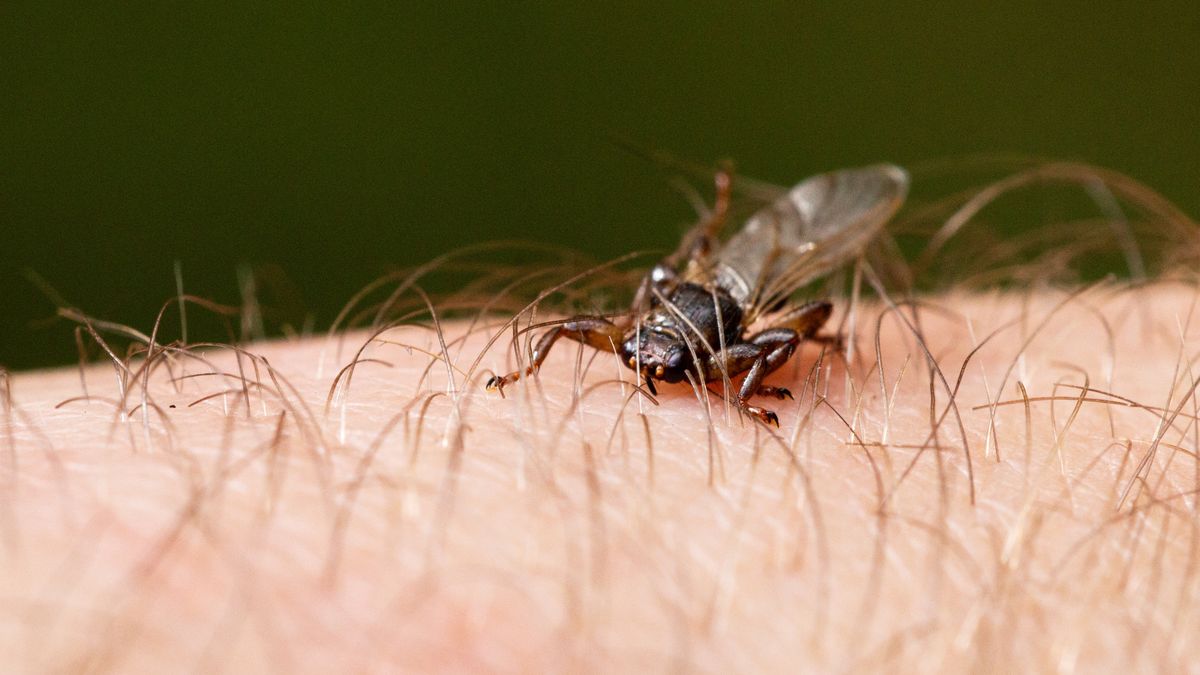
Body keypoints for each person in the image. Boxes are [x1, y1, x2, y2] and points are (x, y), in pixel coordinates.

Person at [4, 276, 1198, 673]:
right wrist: (535, 382)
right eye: (643, 356)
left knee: (809, 327)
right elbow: (577, 328)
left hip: (750, 308)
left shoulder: (738, 339)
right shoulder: (625, 332)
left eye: (663, 366)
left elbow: (775, 337)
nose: (639, 374)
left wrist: (759, 382)